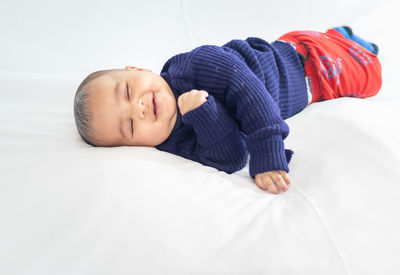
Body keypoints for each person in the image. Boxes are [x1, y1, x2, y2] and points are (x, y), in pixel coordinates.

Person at [73, 26, 382, 194]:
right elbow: (231, 157)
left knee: (371, 76)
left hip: (308, 65)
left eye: (127, 90)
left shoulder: (192, 66)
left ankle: (344, 38)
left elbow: (249, 90)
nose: (137, 108)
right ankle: (340, 36)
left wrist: (267, 153)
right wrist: (204, 114)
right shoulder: (174, 144)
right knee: (364, 75)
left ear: (136, 68)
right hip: (313, 90)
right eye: (129, 127)